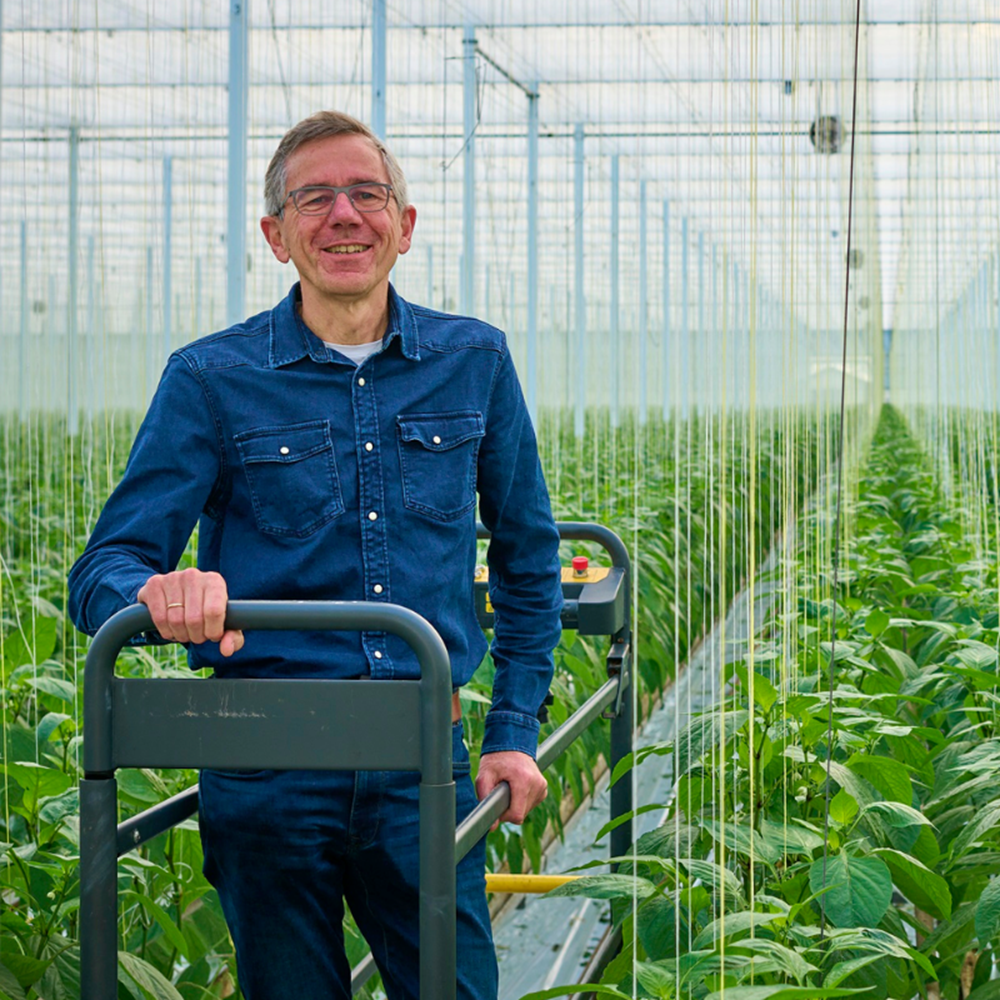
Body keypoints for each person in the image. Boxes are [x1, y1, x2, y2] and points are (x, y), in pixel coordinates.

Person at [68, 110, 563, 999]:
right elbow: (105, 566)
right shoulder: (210, 379)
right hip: (266, 763)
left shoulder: (474, 360)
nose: (344, 215)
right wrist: (156, 592)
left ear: (404, 226)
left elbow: (528, 557)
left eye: (367, 194)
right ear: (276, 234)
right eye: (314, 198)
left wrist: (514, 732)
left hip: (422, 755)